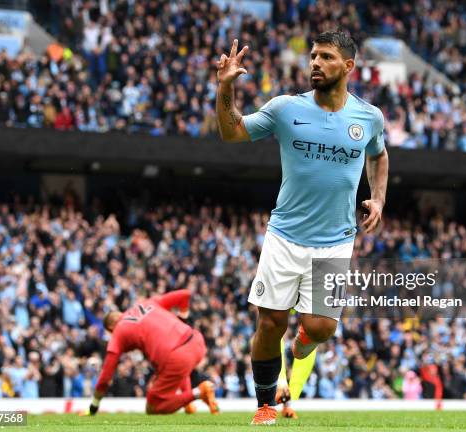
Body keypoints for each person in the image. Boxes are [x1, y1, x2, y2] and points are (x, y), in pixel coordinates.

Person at [216, 30, 389, 424]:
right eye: (313, 55)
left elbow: (380, 156)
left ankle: (305, 340)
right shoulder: (285, 108)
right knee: (270, 322)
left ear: (347, 67)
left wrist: (378, 197)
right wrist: (225, 89)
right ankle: (264, 403)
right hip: (285, 236)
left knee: (322, 327)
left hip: (335, 241)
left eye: (326, 57)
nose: (315, 63)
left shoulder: (369, 117)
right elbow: (232, 131)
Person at [85, 289, 219, 415]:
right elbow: (185, 294)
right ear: (120, 313)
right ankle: (188, 404)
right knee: (169, 368)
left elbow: (106, 375)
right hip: (197, 341)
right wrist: (183, 318)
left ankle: (200, 391)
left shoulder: (119, 330)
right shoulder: (147, 303)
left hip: (177, 356)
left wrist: (94, 406)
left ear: (110, 328)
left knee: (153, 406)